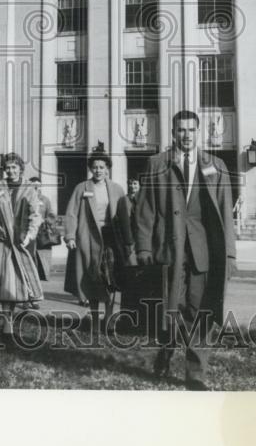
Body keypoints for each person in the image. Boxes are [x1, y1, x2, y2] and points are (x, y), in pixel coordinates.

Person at [135, 111, 236, 390]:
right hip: (169, 249)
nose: (186, 135)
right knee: (171, 307)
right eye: (181, 130)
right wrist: (143, 247)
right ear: (173, 132)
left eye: (191, 130)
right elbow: (145, 209)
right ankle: (166, 349)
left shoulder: (216, 166)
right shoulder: (157, 164)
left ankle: (196, 374)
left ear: (198, 132)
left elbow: (226, 213)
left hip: (204, 250)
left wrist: (229, 254)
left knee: (200, 310)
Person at [64, 143, 135, 333]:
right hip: (88, 238)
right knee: (93, 279)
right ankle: (95, 322)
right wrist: (70, 236)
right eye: (95, 167)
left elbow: (125, 216)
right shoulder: (81, 188)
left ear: (107, 168)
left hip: (111, 238)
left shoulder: (117, 189)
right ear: (90, 168)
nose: (98, 170)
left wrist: (129, 241)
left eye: (101, 167)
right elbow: (71, 213)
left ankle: (109, 320)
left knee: (110, 279)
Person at [0, 152, 42, 336]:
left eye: (14, 167)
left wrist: (29, 236)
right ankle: (7, 322)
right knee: (4, 280)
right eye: (7, 167)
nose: (11, 170)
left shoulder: (29, 188)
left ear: (20, 168)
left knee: (19, 281)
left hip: (21, 240)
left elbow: (36, 214)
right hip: (2, 240)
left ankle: (16, 314)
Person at [32, 176, 60, 282]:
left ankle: (42, 276)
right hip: (29, 231)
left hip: (42, 232)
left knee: (43, 255)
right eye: (34, 185)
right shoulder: (25, 198)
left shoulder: (45, 200)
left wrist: (44, 220)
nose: (36, 187)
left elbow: (52, 215)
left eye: (38, 185)